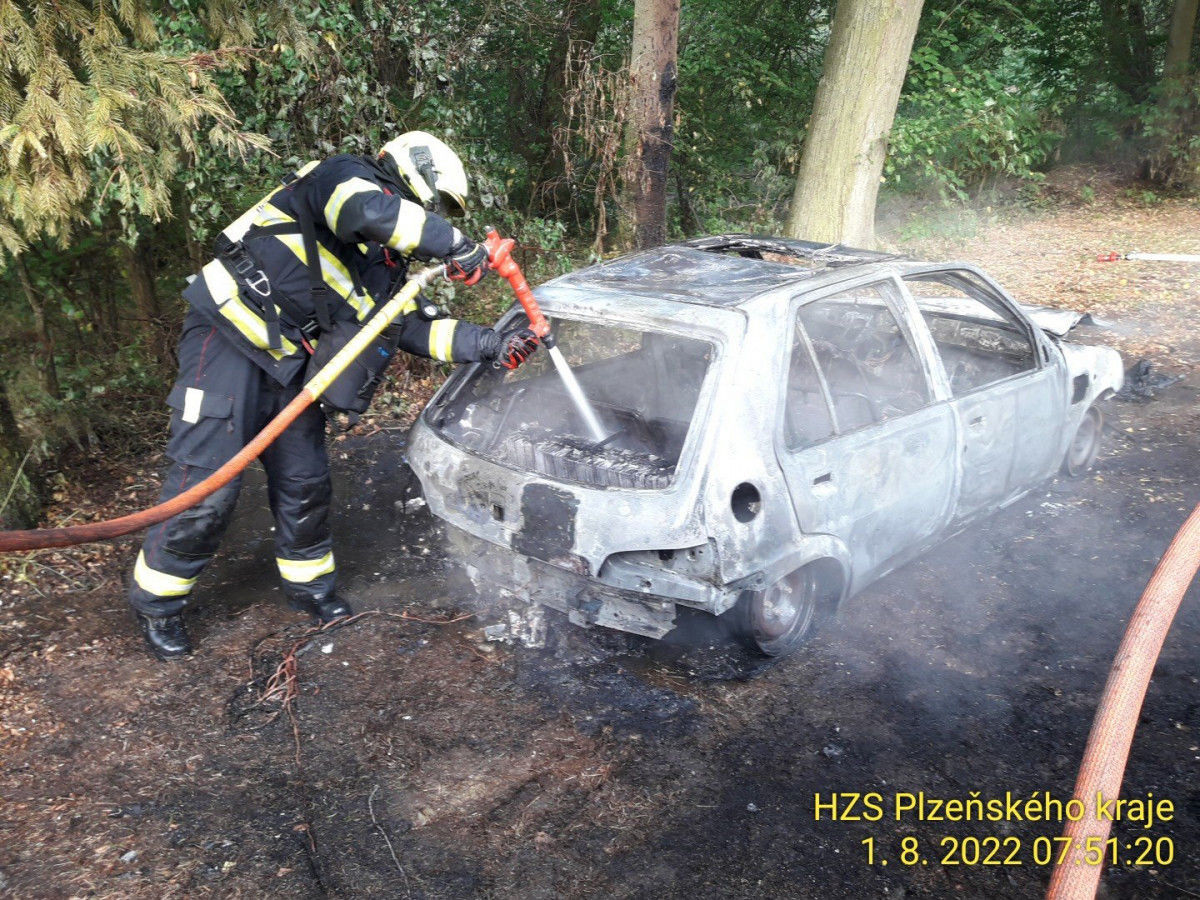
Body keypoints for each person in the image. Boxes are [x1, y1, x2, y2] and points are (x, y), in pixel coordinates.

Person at [128, 131, 540, 660]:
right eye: (429, 202)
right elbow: (364, 208)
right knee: (207, 484)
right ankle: (158, 603)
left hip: (290, 366)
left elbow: (400, 326)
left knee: (305, 480)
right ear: (414, 172)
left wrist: (490, 343)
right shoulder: (342, 176)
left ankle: (309, 589)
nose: (426, 210)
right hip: (227, 336)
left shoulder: (382, 263)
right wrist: (456, 244)